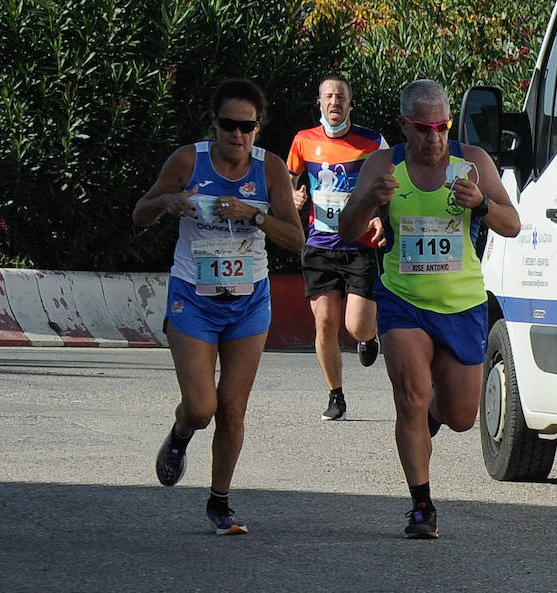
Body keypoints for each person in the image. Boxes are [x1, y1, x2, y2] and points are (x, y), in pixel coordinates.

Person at [337, 80, 520, 538]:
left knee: (461, 416)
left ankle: (432, 417)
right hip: (403, 300)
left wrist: (481, 204)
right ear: (405, 126)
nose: (434, 138)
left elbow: (513, 224)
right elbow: (346, 229)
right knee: (410, 399)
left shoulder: (472, 163)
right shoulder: (383, 165)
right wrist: (369, 200)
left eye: (441, 127)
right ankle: (421, 506)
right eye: (423, 128)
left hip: (462, 304)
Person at [133, 78, 305, 534]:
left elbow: (296, 238)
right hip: (193, 296)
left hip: (249, 301)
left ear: (258, 128)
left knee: (232, 407)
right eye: (229, 125)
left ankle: (220, 502)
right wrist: (167, 202)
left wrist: (255, 215)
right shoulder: (188, 160)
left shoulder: (270, 169)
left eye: (247, 127)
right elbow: (139, 213)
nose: (238, 135)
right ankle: (180, 434)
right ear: (214, 124)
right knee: (201, 406)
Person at [286, 76, 388, 421]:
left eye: (341, 96)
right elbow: (288, 180)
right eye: (328, 96)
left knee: (357, 326)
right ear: (319, 103)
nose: (334, 102)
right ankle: (336, 395)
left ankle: (368, 338)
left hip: (359, 245)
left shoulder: (373, 142)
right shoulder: (303, 140)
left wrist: (381, 216)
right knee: (325, 324)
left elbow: (392, 183)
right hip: (320, 245)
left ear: (350, 103)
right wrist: (293, 196)